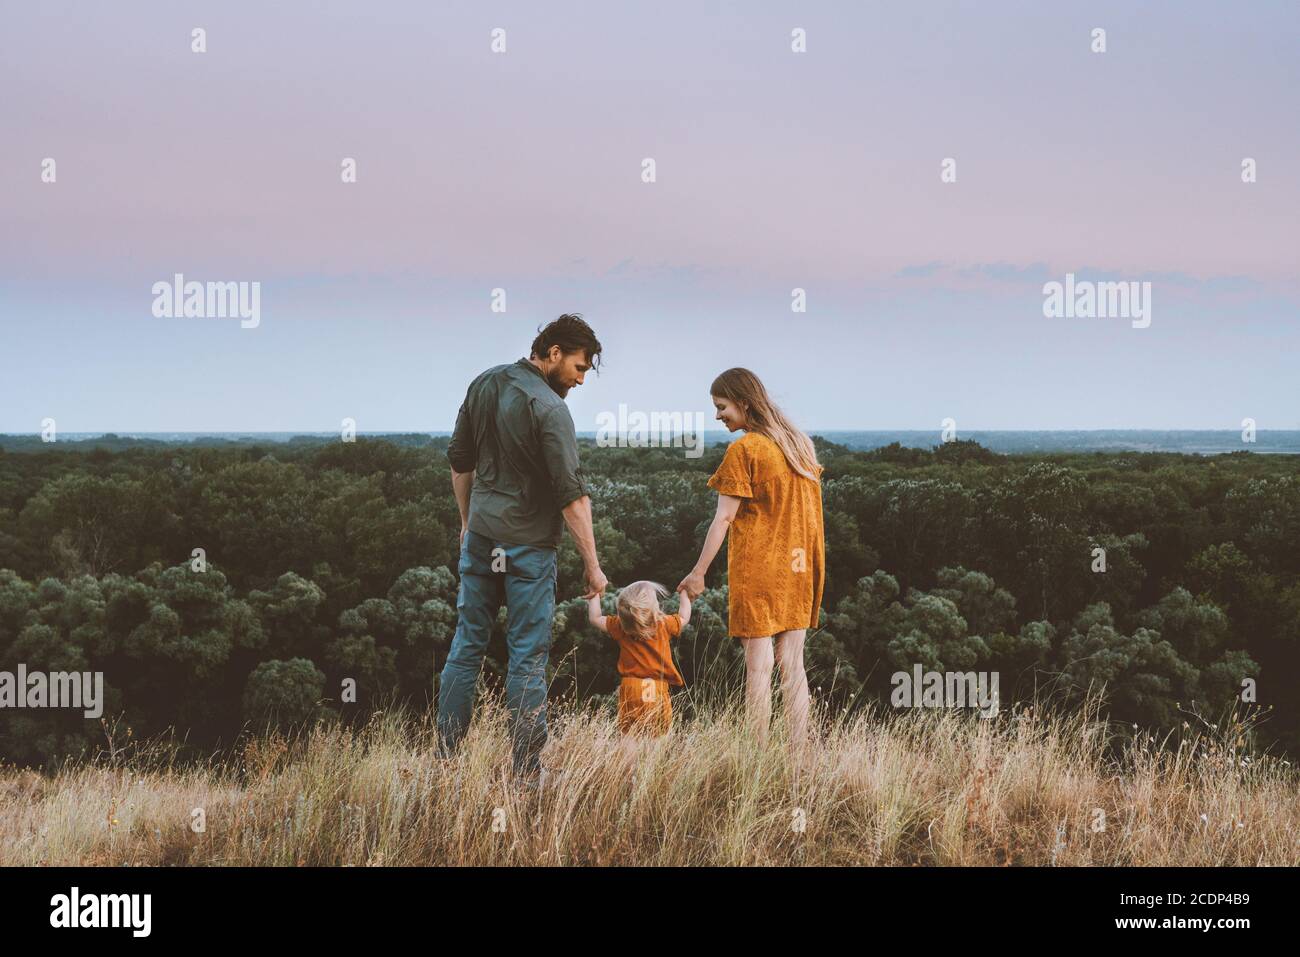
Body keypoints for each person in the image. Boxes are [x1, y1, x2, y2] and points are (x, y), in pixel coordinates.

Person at [437, 314, 608, 779]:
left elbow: (459, 461)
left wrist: (468, 523)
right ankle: (527, 771)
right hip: (529, 548)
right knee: (528, 658)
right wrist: (593, 566)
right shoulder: (551, 410)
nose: (578, 378)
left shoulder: (485, 383)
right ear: (553, 354)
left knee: (466, 646)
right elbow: (571, 496)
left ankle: (446, 760)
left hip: (481, 540)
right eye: (578, 367)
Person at [677, 368, 824, 756]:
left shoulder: (745, 450)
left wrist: (697, 573)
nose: (718, 415)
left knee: (758, 671)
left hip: (759, 569)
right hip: (799, 569)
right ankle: (799, 756)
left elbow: (723, 518)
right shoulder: (798, 445)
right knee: (793, 667)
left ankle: (755, 761)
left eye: (721, 407)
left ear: (743, 402)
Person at [586, 581, 690, 736]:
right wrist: (685, 593)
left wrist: (594, 592)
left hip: (631, 687)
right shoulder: (663, 624)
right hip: (656, 688)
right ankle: (653, 761)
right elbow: (684, 617)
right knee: (657, 736)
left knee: (630, 734)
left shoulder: (620, 625)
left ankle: (629, 761)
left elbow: (595, 618)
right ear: (654, 607)